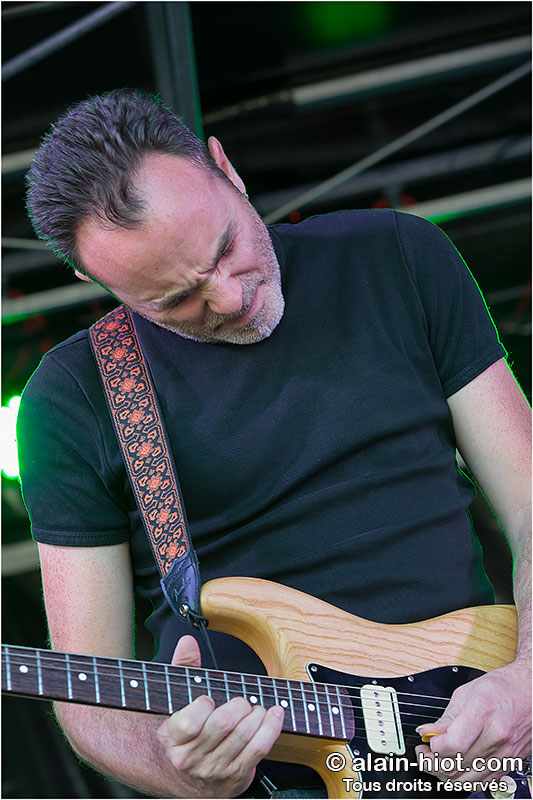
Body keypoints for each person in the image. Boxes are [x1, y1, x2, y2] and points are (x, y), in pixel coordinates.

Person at [18, 88, 530, 799]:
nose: (229, 299)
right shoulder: (73, 399)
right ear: (93, 280)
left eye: (225, 248)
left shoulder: (397, 256)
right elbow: (89, 704)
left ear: (226, 168)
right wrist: (184, 773)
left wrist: (527, 682)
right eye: (175, 300)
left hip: (483, 743)